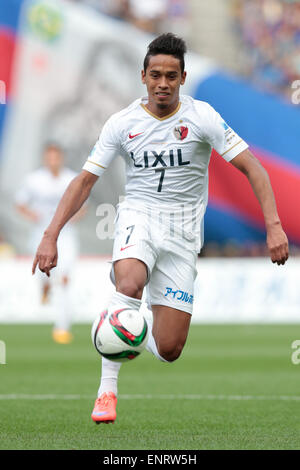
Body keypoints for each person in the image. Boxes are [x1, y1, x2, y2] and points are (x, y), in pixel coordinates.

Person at [32, 33, 289, 423]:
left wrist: (273, 226)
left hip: (184, 234)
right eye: (156, 75)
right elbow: (84, 181)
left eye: (171, 75)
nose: (163, 83)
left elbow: (253, 167)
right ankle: (106, 390)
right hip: (139, 217)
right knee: (129, 284)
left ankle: (129, 326)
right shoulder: (122, 123)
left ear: (183, 78)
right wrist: (50, 234)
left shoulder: (202, 117)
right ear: (143, 76)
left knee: (169, 348)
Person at [16, 143, 84, 344]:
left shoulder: (71, 178)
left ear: (61, 158)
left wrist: (72, 218)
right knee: (43, 273)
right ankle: (44, 286)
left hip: (66, 235)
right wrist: (33, 216)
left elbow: (83, 206)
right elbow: (20, 203)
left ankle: (62, 328)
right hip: (42, 234)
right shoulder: (34, 180)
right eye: (49, 157)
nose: (53, 161)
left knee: (64, 278)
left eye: (56, 157)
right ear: (45, 159)